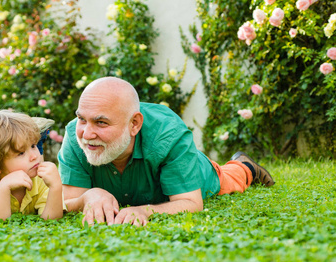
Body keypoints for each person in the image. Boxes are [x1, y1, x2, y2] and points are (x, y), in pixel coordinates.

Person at [58, 77, 275, 226]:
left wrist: (144, 211)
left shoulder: (169, 135)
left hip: (199, 172)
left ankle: (245, 166)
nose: (86, 134)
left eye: (101, 122)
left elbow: (191, 203)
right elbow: (69, 202)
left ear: (134, 124)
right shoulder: (74, 135)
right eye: (82, 119)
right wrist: (89, 196)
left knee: (229, 178)